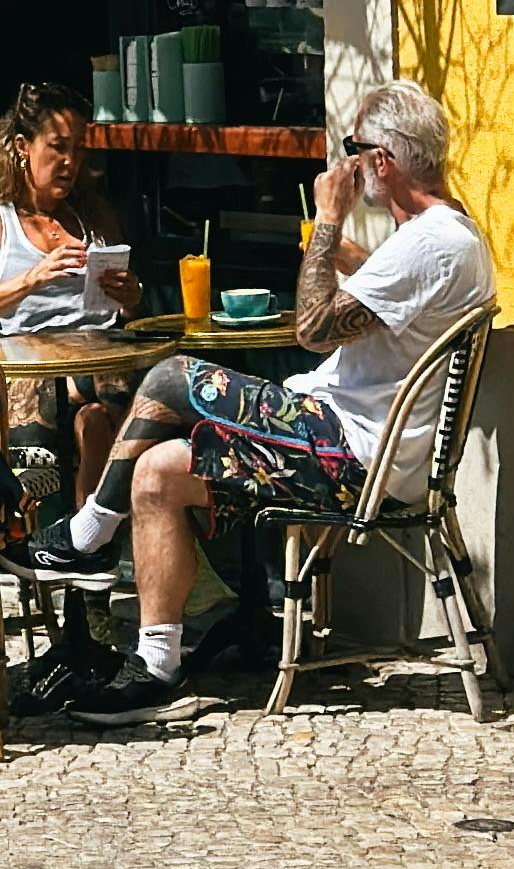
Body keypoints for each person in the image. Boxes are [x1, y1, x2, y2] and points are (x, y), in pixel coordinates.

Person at [29, 78, 490, 723]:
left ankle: (88, 532)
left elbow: (309, 330)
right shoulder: (446, 233)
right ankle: (158, 664)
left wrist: (328, 222)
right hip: (348, 439)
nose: (348, 163)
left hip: (347, 454)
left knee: (169, 377)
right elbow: (387, 301)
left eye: (355, 149)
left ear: (382, 161)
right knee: (158, 473)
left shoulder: (429, 243)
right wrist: (342, 254)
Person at [0, 79, 138, 496]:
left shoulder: (93, 217)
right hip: (30, 372)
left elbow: (126, 318)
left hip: (99, 365)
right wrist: (29, 280)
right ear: (23, 147)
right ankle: (90, 539)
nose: (70, 161)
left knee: (97, 417)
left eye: (78, 149)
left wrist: (131, 299)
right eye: (58, 147)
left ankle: (84, 539)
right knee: (99, 399)